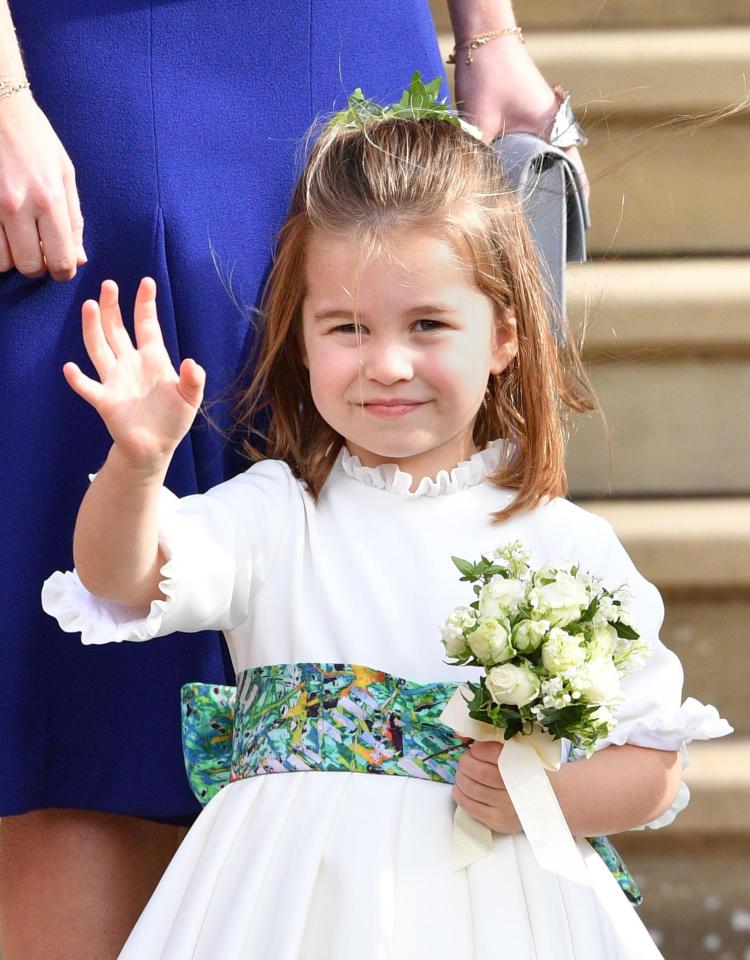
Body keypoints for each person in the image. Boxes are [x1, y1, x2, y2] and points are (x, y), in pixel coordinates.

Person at [41, 102, 727, 959]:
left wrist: (541, 798)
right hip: (285, 913)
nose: (388, 364)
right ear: (301, 338)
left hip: (493, 914)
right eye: (348, 328)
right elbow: (118, 578)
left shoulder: (564, 542)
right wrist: (138, 466)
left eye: (429, 325)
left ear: (505, 334)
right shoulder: (277, 513)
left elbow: (655, 763)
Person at [0, 2, 588, 957]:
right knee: (89, 708)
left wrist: (490, 31)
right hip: (84, 70)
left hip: (354, 40)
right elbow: (117, 577)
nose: (389, 365)